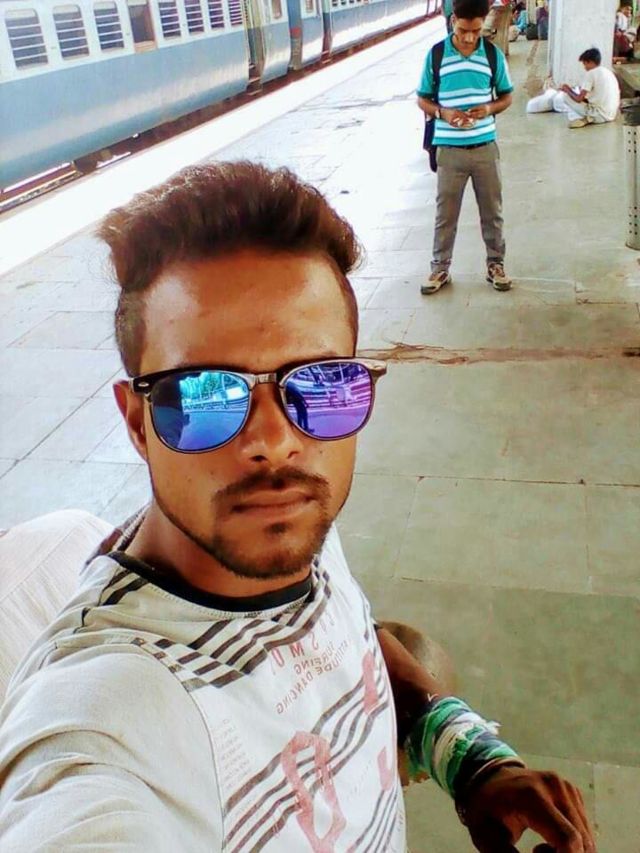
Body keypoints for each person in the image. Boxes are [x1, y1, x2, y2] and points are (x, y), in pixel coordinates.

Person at [0, 162, 596, 851]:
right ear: (137, 420)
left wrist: (468, 756)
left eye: (319, 382)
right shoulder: (106, 723)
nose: (276, 441)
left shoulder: (294, 525)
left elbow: (348, 633)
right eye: (204, 393)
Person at [417, 0, 515, 295]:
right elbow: (422, 98)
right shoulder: (436, 55)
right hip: (449, 151)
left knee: (492, 212)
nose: (470, 37)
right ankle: (440, 268)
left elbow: (507, 96)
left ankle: (496, 265)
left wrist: (489, 108)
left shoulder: (493, 55)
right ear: (452, 21)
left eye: (476, 30)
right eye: (463, 31)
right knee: (445, 215)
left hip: (485, 148)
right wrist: (443, 113)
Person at [526, 47, 620, 128]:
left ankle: (589, 118)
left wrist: (568, 90)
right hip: (611, 115)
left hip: (599, 116)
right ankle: (588, 118)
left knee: (565, 97)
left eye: (585, 64)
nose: (584, 67)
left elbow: (579, 99)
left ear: (590, 62)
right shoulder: (608, 72)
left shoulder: (591, 73)